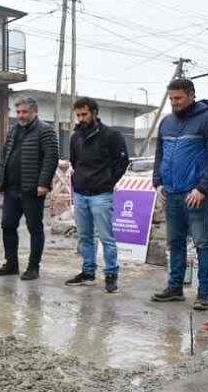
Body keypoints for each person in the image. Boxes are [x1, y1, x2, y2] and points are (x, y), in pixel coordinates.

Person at [151, 78, 208, 311]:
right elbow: (159, 156)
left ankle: (204, 294)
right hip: (171, 193)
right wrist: (158, 183)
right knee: (175, 242)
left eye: (178, 98)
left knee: (202, 243)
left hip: (195, 194)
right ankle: (175, 288)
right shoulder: (166, 123)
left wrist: (203, 189)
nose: (174, 103)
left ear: (191, 95)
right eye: (171, 99)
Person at [64, 97, 129, 293]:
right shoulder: (76, 137)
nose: (81, 118)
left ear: (94, 113)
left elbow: (122, 162)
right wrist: (80, 181)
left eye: (84, 114)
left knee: (106, 237)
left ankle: (111, 274)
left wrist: (108, 181)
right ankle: (88, 272)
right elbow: (75, 162)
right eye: (78, 115)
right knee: (85, 236)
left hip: (101, 193)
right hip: (81, 193)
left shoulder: (111, 135)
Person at [0, 97, 59, 281]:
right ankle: (11, 264)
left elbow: (50, 158)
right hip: (11, 189)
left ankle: (33, 267)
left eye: (24, 112)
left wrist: (43, 183)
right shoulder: (13, 131)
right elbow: (5, 156)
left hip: (32, 189)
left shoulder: (46, 131)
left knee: (34, 228)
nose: (21, 115)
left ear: (34, 112)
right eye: (18, 112)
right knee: (7, 225)